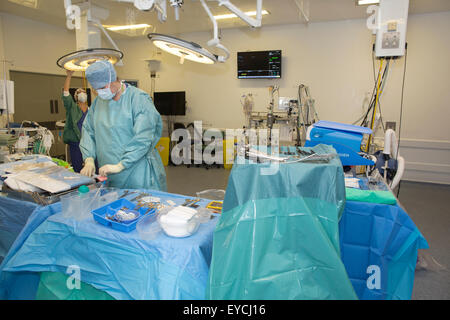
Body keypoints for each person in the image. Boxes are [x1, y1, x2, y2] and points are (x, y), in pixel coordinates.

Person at [79, 60, 167, 191]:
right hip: (109, 174)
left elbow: (144, 137)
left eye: (103, 88)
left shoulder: (138, 99)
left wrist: (120, 165)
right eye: (96, 90)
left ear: (114, 80)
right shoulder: (98, 103)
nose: (100, 93)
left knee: (143, 206)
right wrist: (89, 159)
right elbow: (88, 130)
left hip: (138, 172)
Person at [62, 70, 89, 173]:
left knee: (92, 167)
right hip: (76, 143)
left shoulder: (91, 110)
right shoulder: (72, 108)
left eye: (83, 92)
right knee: (78, 169)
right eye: (79, 92)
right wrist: (69, 75)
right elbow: (65, 93)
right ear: (76, 97)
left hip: (88, 143)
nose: (82, 93)